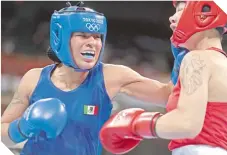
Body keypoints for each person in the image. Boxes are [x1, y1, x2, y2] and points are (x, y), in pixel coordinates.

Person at [1, 2, 180, 155]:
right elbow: (2, 137)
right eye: (83, 36)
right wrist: (21, 128)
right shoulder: (33, 79)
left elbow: (168, 95)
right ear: (61, 38)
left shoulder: (111, 77)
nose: (92, 43)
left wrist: (182, 54)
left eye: (97, 37)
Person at [99, 1, 227, 155]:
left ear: (204, 13)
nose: (171, 18)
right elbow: (170, 95)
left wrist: (135, 125)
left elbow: (187, 124)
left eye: (180, 10)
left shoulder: (196, 59)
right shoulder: (218, 61)